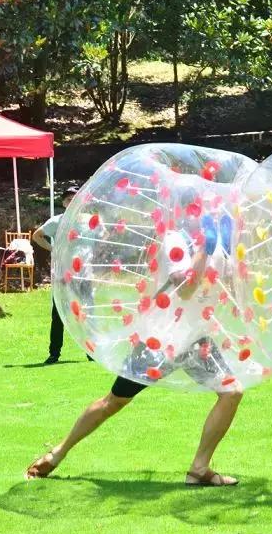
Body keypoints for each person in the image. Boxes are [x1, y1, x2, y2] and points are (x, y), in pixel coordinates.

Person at [25, 203, 243, 487]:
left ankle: (199, 469)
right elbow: (186, 288)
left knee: (232, 391)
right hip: (162, 341)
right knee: (114, 401)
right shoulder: (174, 240)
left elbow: (227, 288)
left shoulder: (216, 246)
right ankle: (56, 454)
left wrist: (224, 253)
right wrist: (205, 249)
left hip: (195, 340)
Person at [32, 186, 85, 365]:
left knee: (85, 315)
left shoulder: (87, 222)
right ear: (63, 202)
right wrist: (53, 249)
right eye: (69, 199)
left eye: (75, 198)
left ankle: (90, 352)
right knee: (58, 316)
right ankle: (54, 353)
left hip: (84, 276)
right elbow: (37, 236)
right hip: (62, 277)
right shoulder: (56, 222)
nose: (72, 202)